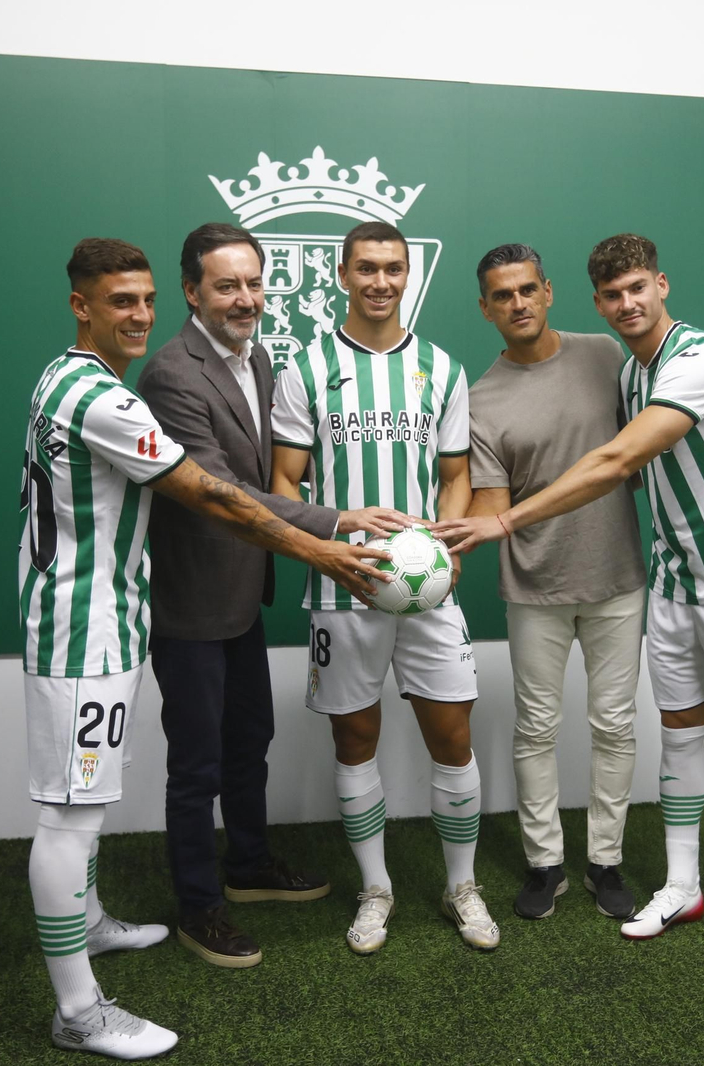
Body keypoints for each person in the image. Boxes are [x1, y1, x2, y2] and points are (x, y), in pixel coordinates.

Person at [20, 238, 389, 1059]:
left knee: (228, 746)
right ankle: (85, 1006)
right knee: (77, 817)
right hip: (95, 623)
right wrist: (328, 540)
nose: (139, 315)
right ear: (81, 304)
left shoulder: (68, 375)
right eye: (122, 302)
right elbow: (211, 490)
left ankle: (128, 908)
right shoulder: (129, 391)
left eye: (143, 300)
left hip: (120, 612)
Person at [434, 234, 704, 959]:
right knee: (677, 730)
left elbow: (618, 460)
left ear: (662, 284)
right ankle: (680, 884)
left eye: (637, 289)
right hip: (672, 579)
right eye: (613, 295)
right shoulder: (633, 373)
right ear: (486, 308)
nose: (627, 304)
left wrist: (509, 519)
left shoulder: (695, 359)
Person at [138, 222, 413, 969]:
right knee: (196, 765)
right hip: (193, 602)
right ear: (192, 291)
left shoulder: (258, 358)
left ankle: (250, 864)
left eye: (255, 284)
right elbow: (222, 491)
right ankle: (200, 906)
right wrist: (332, 521)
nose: (246, 299)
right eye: (227, 285)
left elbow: (260, 484)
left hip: (240, 592)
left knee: (248, 740)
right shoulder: (170, 375)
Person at [270, 221, 499, 954]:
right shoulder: (305, 368)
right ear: (342, 275)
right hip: (345, 587)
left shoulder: (441, 367)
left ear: (409, 277)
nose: (380, 281)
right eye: (365, 268)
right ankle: (376, 889)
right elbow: (284, 483)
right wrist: (330, 545)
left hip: (427, 591)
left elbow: (457, 477)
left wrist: (450, 545)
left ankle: (462, 884)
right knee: (355, 738)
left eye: (393, 269)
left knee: (453, 738)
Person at [463, 243, 646, 921]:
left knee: (615, 725)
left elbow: (644, 445)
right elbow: (489, 508)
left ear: (548, 292)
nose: (518, 303)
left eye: (527, 290)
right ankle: (546, 865)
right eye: (502, 295)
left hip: (619, 579)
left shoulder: (605, 354)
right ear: (485, 309)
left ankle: (606, 860)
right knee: (536, 728)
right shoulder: (481, 399)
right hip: (534, 588)